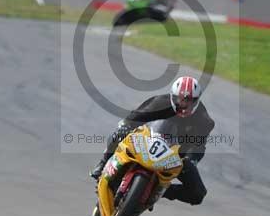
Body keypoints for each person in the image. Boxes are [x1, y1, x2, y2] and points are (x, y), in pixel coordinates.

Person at [90, 76, 214, 206]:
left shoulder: (204, 120)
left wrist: (191, 159)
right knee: (119, 132)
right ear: (173, 96)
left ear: (197, 101)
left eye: (190, 101)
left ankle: (161, 191)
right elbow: (134, 117)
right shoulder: (159, 102)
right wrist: (126, 126)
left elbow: (199, 146)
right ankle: (103, 163)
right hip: (147, 140)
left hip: (175, 157)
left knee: (198, 194)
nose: (184, 104)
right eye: (180, 99)